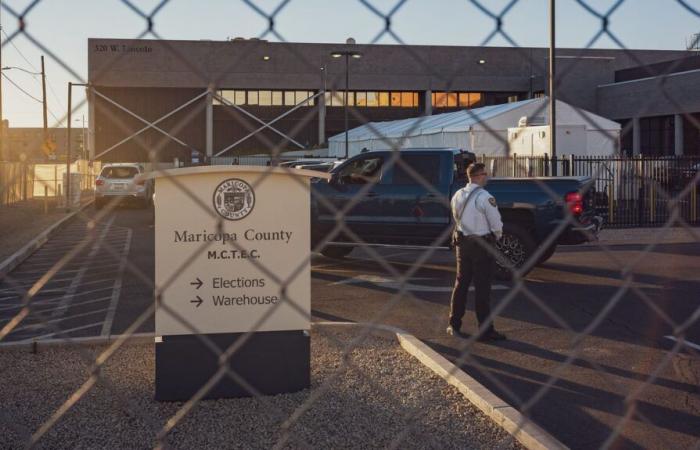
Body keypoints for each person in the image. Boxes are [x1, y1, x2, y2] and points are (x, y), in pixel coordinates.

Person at [447, 162, 506, 341]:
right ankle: (485, 330)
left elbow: (455, 215)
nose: (486, 177)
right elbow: (496, 224)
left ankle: (454, 324)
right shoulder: (484, 197)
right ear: (479, 176)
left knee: (460, 284)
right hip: (482, 246)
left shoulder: (458, 195)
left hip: (462, 245)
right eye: (485, 174)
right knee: (482, 288)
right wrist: (496, 236)